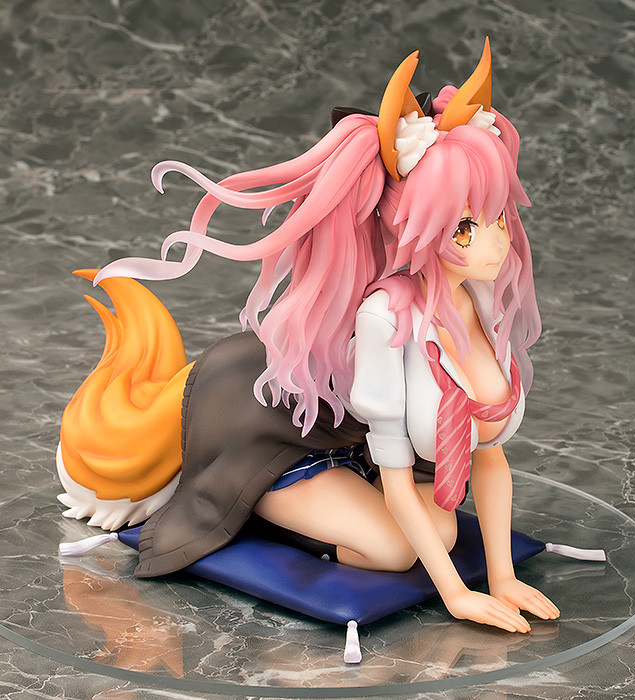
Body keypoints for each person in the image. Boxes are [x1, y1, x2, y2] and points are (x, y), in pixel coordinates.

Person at [58, 39, 560, 633]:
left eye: (498, 217)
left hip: (353, 444)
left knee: (442, 531)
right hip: (279, 437)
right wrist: (455, 596)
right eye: (467, 228)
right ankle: (252, 502)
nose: (497, 243)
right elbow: (398, 475)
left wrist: (502, 577)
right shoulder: (387, 319)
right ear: (416, 226)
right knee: (395, 551)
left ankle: (335, 504)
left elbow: (489, 457)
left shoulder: (482, 305)